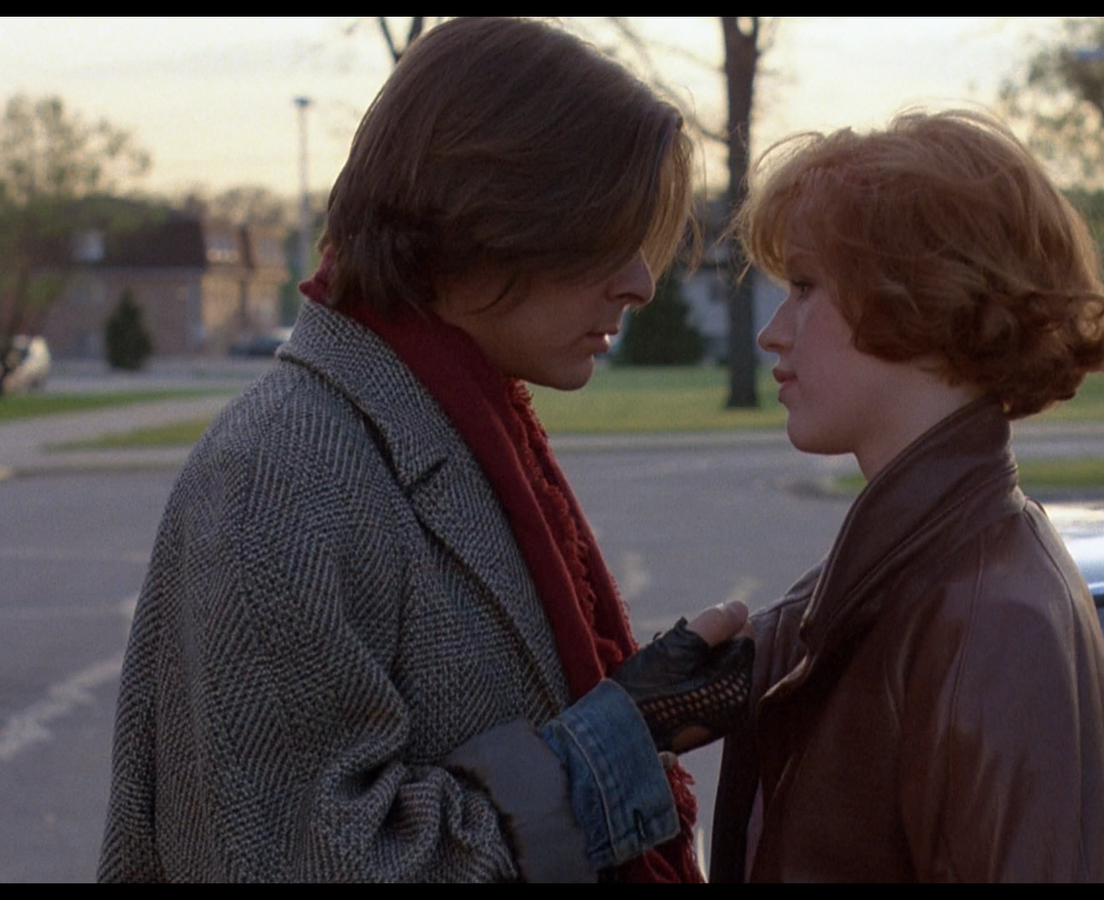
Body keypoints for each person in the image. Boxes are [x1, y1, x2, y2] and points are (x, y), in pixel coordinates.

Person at [99, 17, 752, 883]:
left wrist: (643, 718)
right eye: (602, 236)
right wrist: (610, 751)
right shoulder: (287, 470)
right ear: (476, 220)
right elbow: (305, 864)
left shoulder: (456, 427)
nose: (640, 282)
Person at [709, 110, 1104, 882]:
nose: (773, 331)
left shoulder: (988, 617)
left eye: (804, 288)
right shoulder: (915, 575)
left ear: (919, 296)